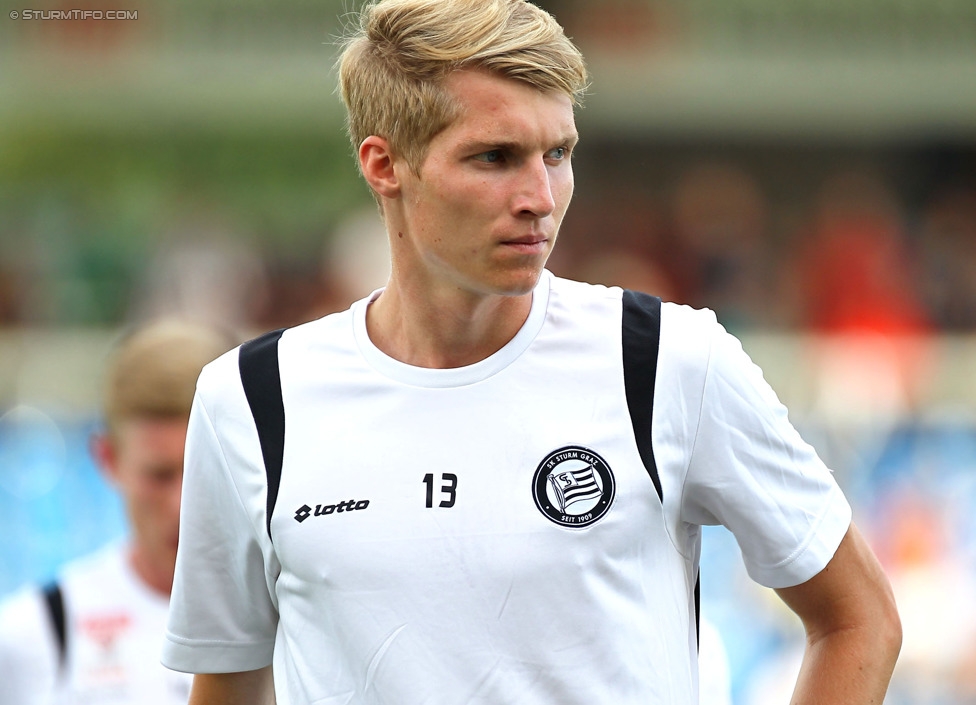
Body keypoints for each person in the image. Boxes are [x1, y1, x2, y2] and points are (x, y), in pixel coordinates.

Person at [161, 1, 902, 703]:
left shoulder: (663, 360)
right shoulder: (252, 400)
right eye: (495, 157)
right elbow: (227, 684)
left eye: (558, 152)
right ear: (384, 166)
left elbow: (858, 618)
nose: (540, 196)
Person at [0, 319, 234, 704]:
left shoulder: (299, 622)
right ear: (107, 458)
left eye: (202, 474)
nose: (181, 504)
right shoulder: (36, 633)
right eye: (159, 475)